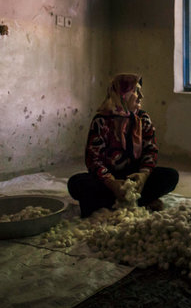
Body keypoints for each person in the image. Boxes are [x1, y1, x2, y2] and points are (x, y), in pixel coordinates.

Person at [67, 73, 179, 217]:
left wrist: (143, 176)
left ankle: (120, 201)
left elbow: (150, 152)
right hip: (109, 180)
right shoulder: (101, 121)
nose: (141, 97)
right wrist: (111, 183)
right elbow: (93, 160)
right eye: (136, 92)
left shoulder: (143, 119)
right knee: (76, 183)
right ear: (123, 95)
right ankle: (138, 201)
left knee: (170, 176)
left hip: (135, 178)